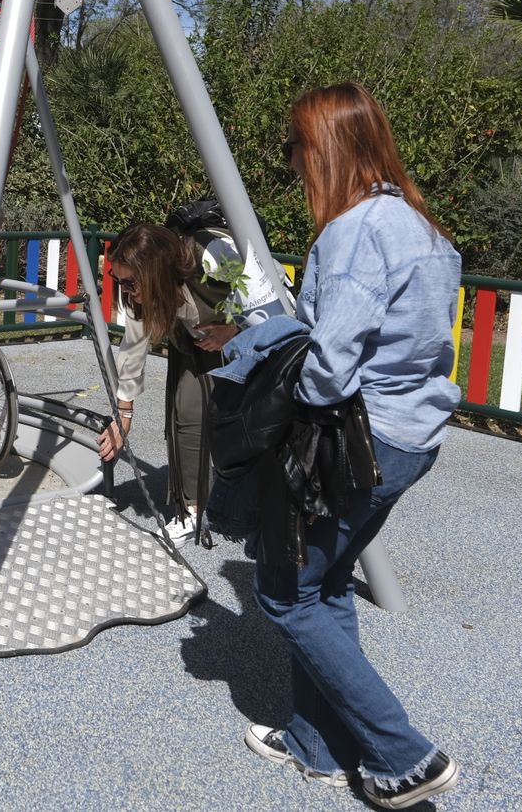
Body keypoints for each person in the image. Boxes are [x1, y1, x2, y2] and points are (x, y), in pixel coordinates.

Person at [243, 82, 462, 808]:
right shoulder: (421, 227)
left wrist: (277, 398)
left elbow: (332, 366)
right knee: (325, 581)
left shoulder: (355, 232)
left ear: (327, 148)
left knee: (283, 592)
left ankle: (404, 755)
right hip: (412, 437)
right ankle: (315, 744)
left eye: (297, 149)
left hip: (360, 440)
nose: (295, 163)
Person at [96, 215, 284, 541]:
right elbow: (133, 346)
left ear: (154, 272)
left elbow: (272, 290)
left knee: (262, 422)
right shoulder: (137, 293)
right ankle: (192, 510)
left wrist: (233, 330)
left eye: (131, 283)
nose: (126, 291)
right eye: (119, 280)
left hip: (253, 334)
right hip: (195, 340)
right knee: (188, 409)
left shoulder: (212, 253)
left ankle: (274, 505)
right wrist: (123, 415)